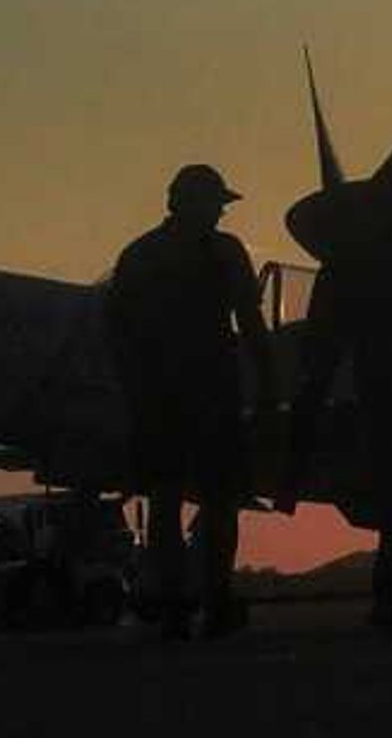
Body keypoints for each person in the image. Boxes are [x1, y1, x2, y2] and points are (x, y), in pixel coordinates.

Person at [103, 164, 274, 639]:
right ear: (192, 203)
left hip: (156, 398)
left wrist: (132, 389)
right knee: (220, 501)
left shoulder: (138, 255)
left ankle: (175, 604)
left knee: (164, 500)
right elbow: (251, 323)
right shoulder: (225, 251)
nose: (221, 211)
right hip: (211, 392)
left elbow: (115, 332)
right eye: (215, 202)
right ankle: (216, 601)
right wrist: (269, 384)